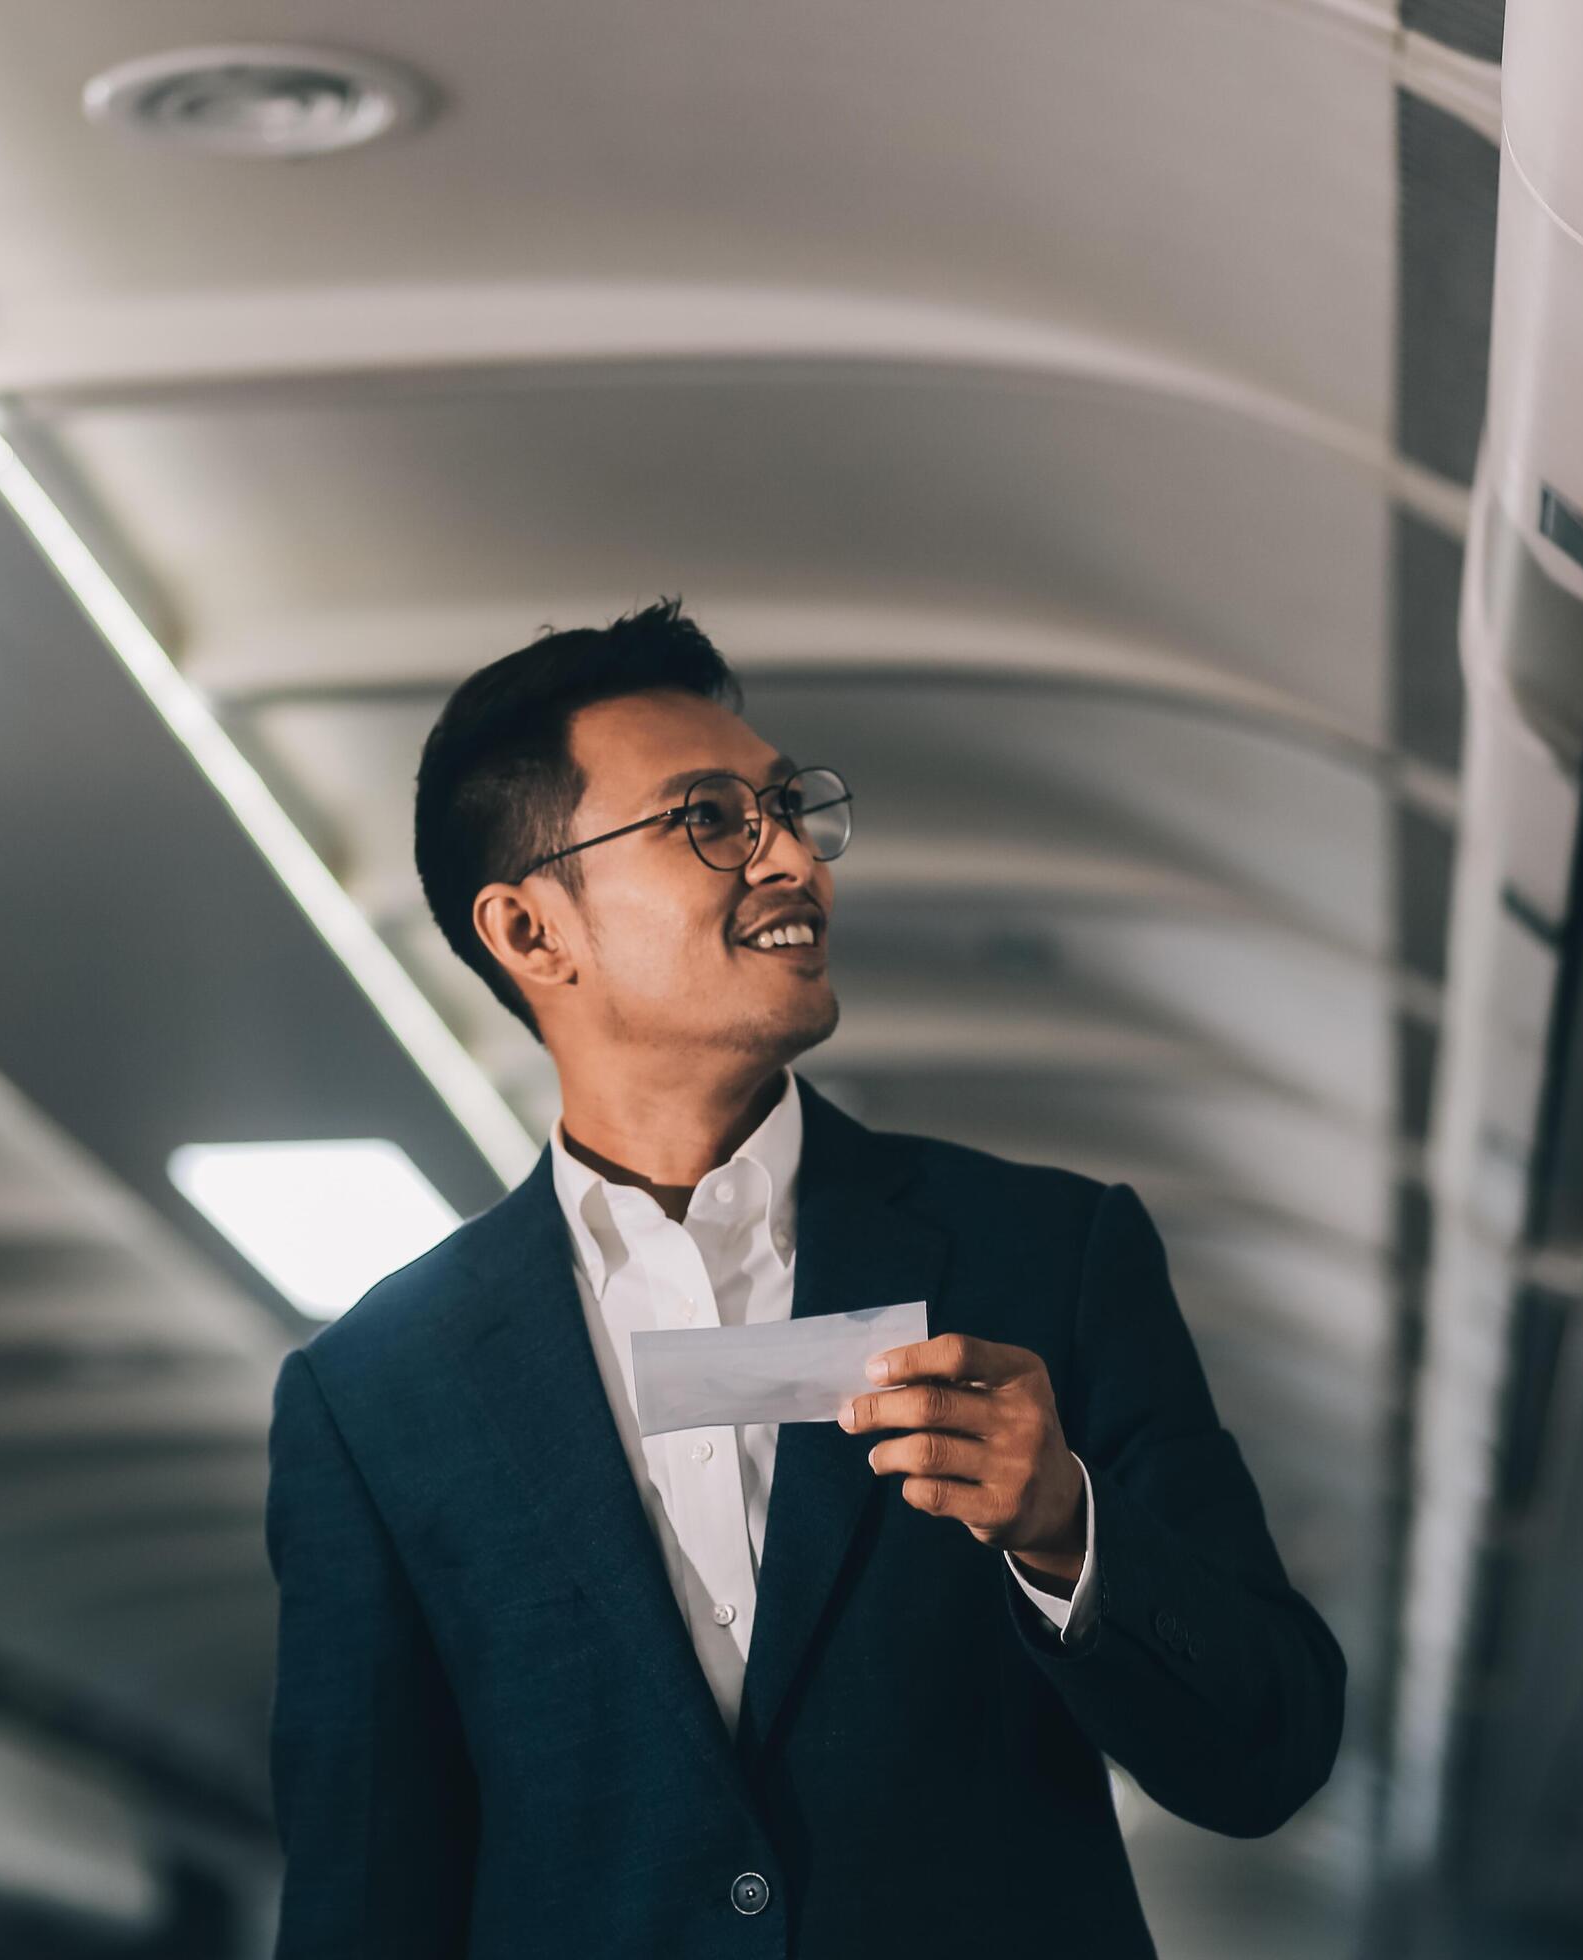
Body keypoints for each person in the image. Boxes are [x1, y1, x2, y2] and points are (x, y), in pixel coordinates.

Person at [263, 601, 1344, 1957]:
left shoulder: (1045, 1258)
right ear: (534, 933)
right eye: (709, 818)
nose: (792, 860)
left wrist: (1069, 1528)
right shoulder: (377, 1396)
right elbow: (364, 1901)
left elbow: (1272, 1749)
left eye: (786, 808)